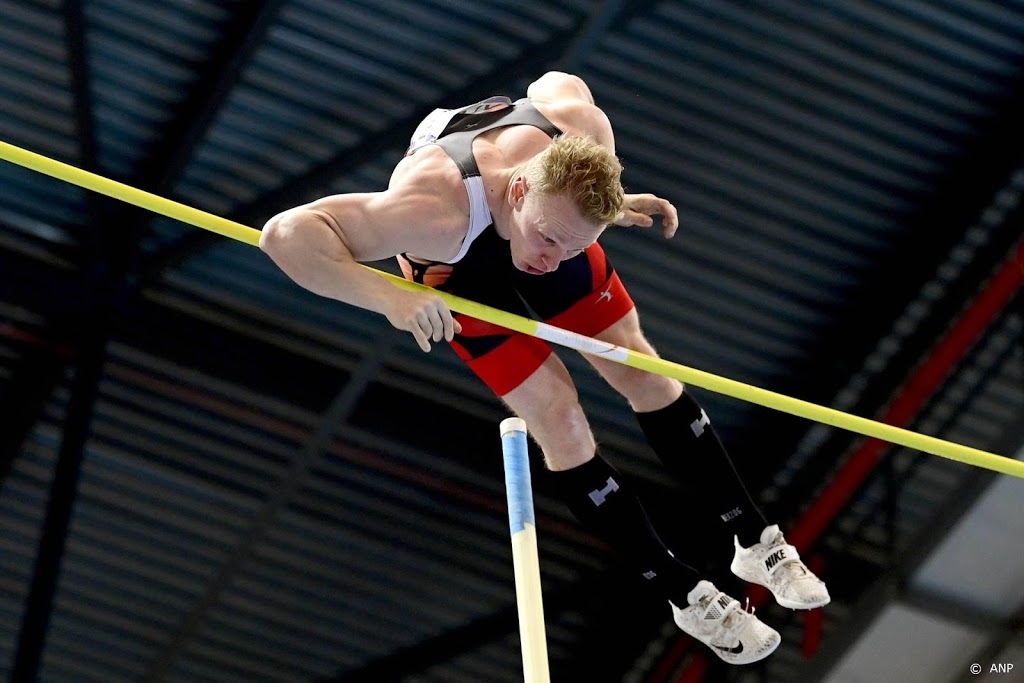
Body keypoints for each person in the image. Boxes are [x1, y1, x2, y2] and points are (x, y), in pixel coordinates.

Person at [259, 71, 829, 665]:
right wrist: (393, 300)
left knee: (641, 371)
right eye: (550, 240)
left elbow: (560, 80)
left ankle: (756, 539)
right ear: (518, 193)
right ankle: (682, 593)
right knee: (560, 418)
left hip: (551, 208)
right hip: (457, 269)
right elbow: (286, 235)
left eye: (574, 246)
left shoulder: (582, 143)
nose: (549, 261)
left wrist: (602, 213)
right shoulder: (429, 208)